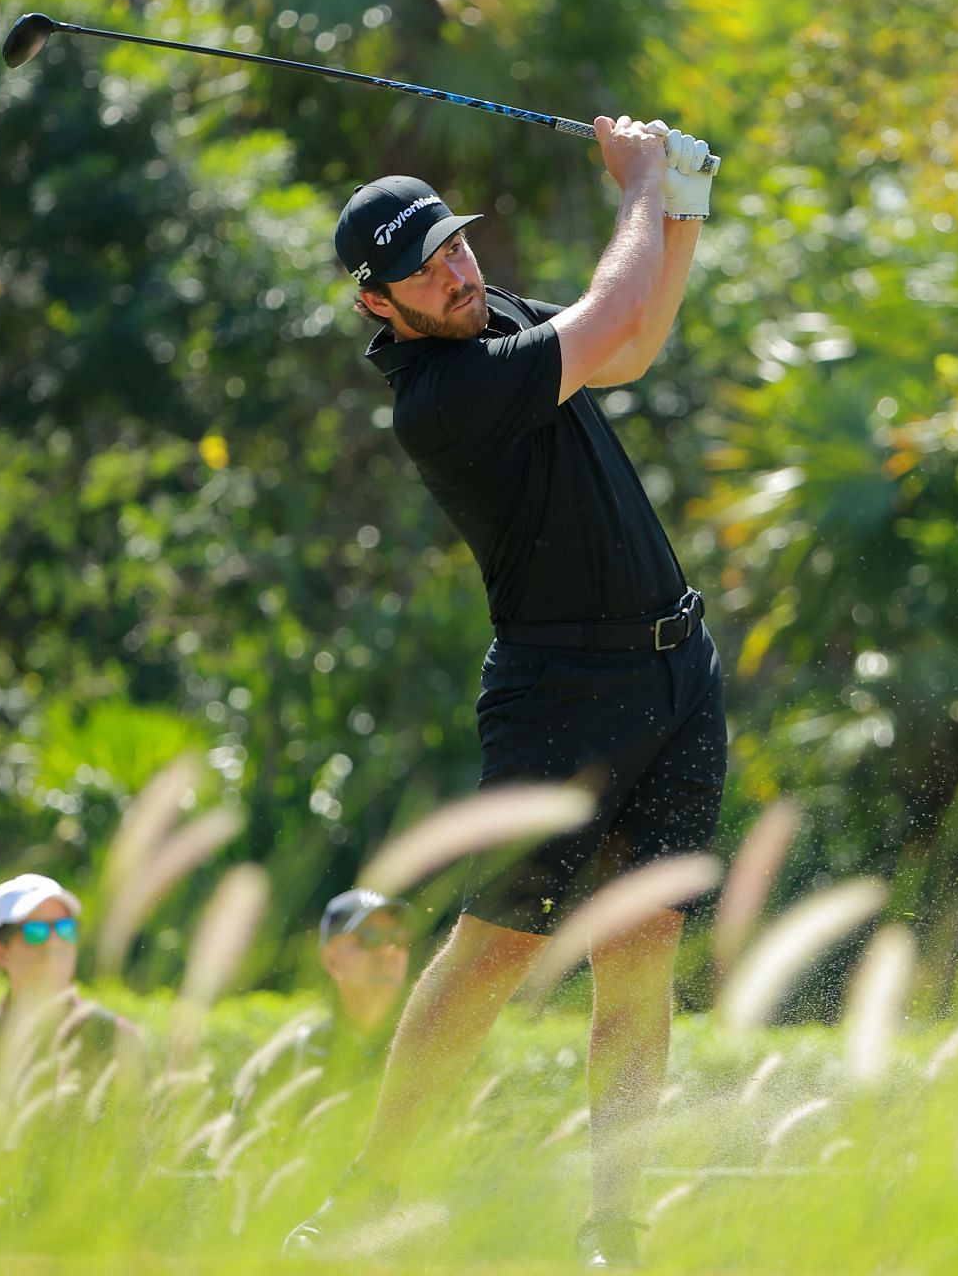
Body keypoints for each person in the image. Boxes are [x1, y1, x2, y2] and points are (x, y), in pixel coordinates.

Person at [287, 117, 724, 1266]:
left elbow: (630, 346)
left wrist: (682, 204)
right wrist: (638, 185)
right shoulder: (442, 396)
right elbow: (615, 316)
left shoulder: (497, 317)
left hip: (678, 669)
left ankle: (613, 1230)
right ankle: (376, 1183)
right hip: (562, 690)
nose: (458, 268)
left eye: (455, 243)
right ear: (380, 306)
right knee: (497, 947)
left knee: (642, 947)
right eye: (425, 268)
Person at [0, 873, 143, 1108]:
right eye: (35, 932)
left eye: (65, 928)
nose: (55, 942)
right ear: (0, 952)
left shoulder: (120, 1042)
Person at [292, 888, 413, 1072]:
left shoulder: (432, 1042)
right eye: (370, 937)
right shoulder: (302, 1055)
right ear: (330, 958)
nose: (388, 950)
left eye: (398, 938)